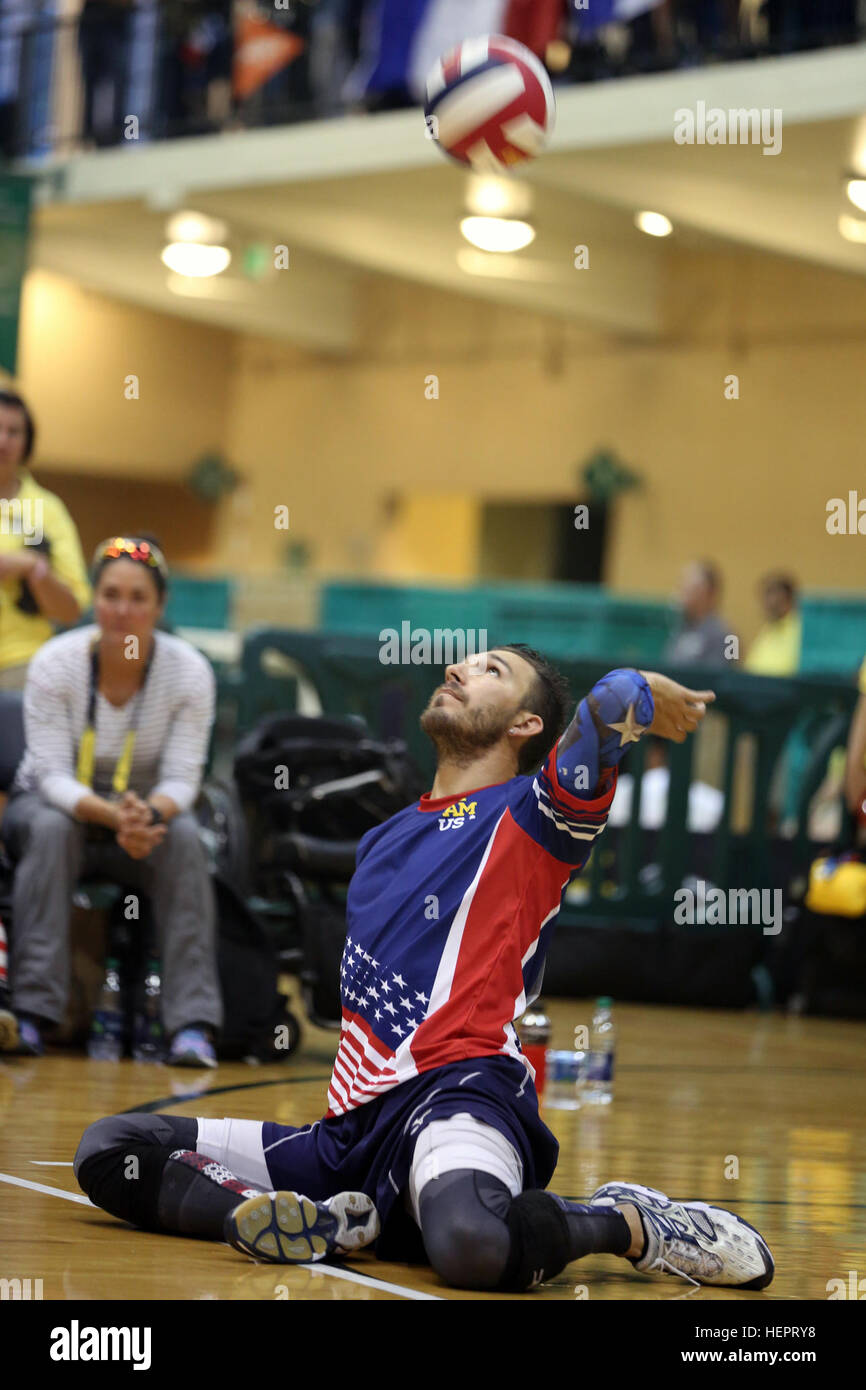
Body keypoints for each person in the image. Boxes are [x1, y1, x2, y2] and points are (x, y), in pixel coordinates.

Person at [75, 648, 774, 1293]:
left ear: (527, 723)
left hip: (461, 1095)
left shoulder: (536, 818)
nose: (459, 669)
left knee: (469, 1244)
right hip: (347, 1133)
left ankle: (634, 1222)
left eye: (491, 670)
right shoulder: (380, 840)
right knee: (111, 1148)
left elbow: (612, 700)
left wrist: (645, 690)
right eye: (463, 662)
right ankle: (302, 1219)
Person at [3, 534, 222, 1064]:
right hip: (55, 811)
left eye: (138, 597)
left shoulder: (190, 672)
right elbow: (52, 776)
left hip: (145, 821)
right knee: (54, 830)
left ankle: (191, 1026)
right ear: (94, 599)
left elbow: (183, 779)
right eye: (110, 594)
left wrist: (147, 815)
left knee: (187, 838)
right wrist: (111, 814)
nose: (122, 610)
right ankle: (31, 1015)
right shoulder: (55, 663)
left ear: (160, 606)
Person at [0, 388, 90, 690]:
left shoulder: (48, 511)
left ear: (27, 443)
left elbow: (71, 611)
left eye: (13, 432)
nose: (3, 441)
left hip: (21, 662)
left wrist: (34, 567)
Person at [663, 559, 731, 667]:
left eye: (689, 587)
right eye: (681, 585)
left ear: (709, 592)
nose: (681, 592)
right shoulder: (677, 628)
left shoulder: (726, 637)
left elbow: (721, 679)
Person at [743, 573, 801, 676]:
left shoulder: (800, 630)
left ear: (788, 598)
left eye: (771, 593)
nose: (766, 602)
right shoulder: (767, 630)